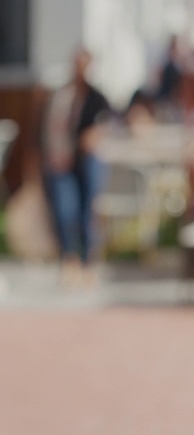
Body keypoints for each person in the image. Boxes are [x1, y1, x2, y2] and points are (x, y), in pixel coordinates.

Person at [38, 48, 112, 287]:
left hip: (87, 162)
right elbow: (48, 128)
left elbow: (104, 127)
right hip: (62, 163)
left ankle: (88, 260)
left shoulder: (96, 98)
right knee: (64, 211)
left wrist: (94, 138)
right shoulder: (61, 96)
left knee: (86, 212)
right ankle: (69, 259)